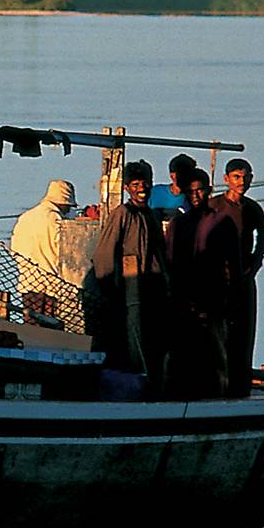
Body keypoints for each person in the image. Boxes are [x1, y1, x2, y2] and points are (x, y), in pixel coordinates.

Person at [86, 161, 168, 386]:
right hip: (127, 290)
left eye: (145, 184)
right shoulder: (122, 214)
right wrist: (110, 288)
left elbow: (159, 253)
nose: (142, 189)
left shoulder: (151, 215)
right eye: (136, 185)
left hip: (150, 288)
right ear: (127, 188)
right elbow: (104, 255)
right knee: (130, 336)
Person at [163, 168, 242, 399]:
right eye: (191, 191)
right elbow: (170, 263)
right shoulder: (178, 224)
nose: (196, 195)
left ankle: (218, 398)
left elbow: (234, 265)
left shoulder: (222, 221)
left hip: (213, 299)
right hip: (183, 300)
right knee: (182, 353)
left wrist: (232, 299)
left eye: (200, 191)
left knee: (216, 354)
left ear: (208, 191)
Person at [210, 156, 264, 393]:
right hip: (217, 280)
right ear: (226, 179)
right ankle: (218, 386)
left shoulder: (252, 208)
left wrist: (255, 264)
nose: (241, 181)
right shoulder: (214, 206)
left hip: (243, 279)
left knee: (243, 334)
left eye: (246, 177)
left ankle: (240, 386)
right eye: (236, 177)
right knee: (218, 334)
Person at [11, 179, 76, 321]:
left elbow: (14, 249)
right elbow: (65, 248)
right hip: (50, 287)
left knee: (31, 325)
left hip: (28, 284)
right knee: (50, 327)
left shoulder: (26, 217)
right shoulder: (56, 219)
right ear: (64, 202)